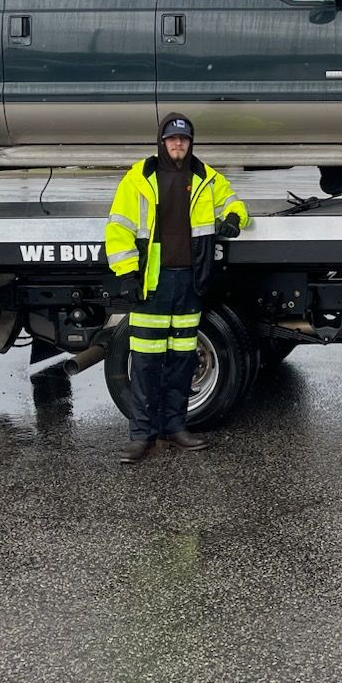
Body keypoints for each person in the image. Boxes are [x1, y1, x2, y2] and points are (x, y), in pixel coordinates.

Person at [103, 113, 250, 463]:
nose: (178, 144)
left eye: (184, 139)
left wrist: (233, 219)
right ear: (162, 141)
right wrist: (127, 273)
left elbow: (234, 203)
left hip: (190, 281)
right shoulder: (138, 179)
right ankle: (141, 437)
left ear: (190, 142)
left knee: (182, 362)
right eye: (172, 139)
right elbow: (118, 228)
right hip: (152, 283)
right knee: (145, 365)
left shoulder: (206, 178)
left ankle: (174, 428)